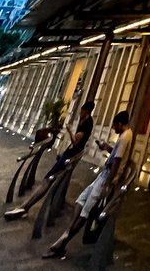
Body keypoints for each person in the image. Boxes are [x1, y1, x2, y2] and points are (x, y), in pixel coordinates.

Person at [42, 109, 133, 259]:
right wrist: (106, 147)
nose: (113, 128)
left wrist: (108, 184)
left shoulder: (124, 138)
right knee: (80, 200)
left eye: (114, 125)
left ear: (120, 124)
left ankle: (63, 242)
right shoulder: (127, 135)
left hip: (106, 178)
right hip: (103, 175)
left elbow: (117, 162)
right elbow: (117, 155)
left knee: (86, 211)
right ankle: (69, 231)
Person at [4, 101, 95, 221]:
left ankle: (24, 207)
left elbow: (75, 141)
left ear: (86, 111)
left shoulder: (87, 123)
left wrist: (68, 129)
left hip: (70, 155)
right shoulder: (87, 122)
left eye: (81, 111)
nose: (79, 113)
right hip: (70, 154)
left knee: (47, 180)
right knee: (49, 180)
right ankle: (25, 206)